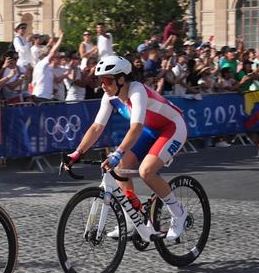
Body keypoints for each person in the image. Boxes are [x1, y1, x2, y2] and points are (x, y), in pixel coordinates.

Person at [66, 56, 191, 240]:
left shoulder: (137, 90)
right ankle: (132, 219)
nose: (102, 85)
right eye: (100, 81)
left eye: (107, 80)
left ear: (122, 79)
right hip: (150, 129)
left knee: (146, 171)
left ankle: (179, 214)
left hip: (172, 127)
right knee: (119, 167)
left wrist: (117, 153)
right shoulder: (110, 97)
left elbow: (136, 128)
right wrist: (77, 153)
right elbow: (96, 127)